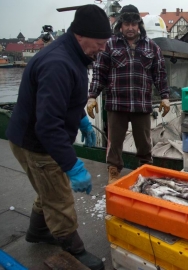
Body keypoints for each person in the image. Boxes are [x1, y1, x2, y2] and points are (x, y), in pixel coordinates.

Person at [6, 5, 111, 270]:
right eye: (99, 43)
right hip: (37, 143)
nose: (102, 49)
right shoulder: (58, 63)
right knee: (59, 196)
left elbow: (64, 102)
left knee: (48, 186)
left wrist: (82, 120)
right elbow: (48, 126)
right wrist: (72, 166)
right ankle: (73, 248)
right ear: (80, 35)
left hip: (32, 136)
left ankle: (38, 231)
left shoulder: (73, 54)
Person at [87, 4, 170, 184]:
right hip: (117, 104)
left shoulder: (152, 47)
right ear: (120, 25)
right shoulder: (109, 45)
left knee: (145, 144)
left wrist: (165, 97)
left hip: (141, 104)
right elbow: (99, 73)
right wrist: (92, 96)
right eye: (127, 24)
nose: (130, 28)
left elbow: (160, 74)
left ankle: (146, 172)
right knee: (114, 143)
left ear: (139, 24)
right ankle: (114, 171)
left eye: (134, 24)